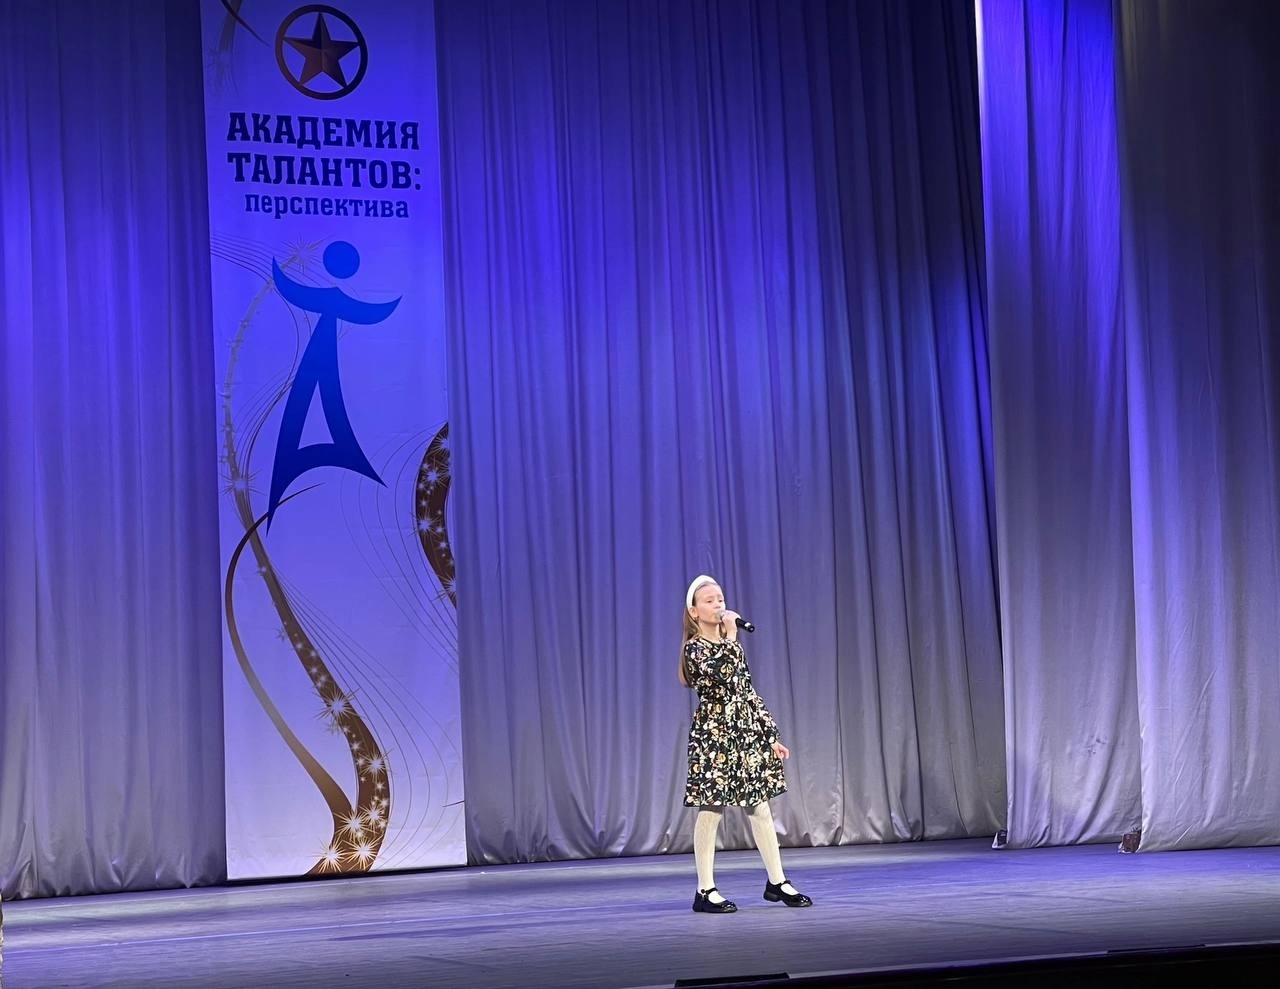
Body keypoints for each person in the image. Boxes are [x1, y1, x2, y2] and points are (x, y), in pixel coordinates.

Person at [680, 574, 812, 913]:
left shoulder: (731, 646)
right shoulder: (695, 648)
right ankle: (704, 890)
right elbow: (721, 677)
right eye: (710, 601)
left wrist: (770, 735)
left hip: (745, 733)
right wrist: (732, 637)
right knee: (711, 808)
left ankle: (777, 881)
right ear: (694, 612)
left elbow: (747, 692)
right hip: (714, 736)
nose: (719, 605)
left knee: (759, 805)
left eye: (720, 599)